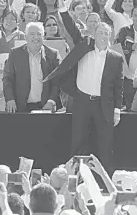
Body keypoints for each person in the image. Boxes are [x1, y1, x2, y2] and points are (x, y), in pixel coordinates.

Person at [44, 22, 124, 170]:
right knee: (78, 142)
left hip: (103, 104)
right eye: (100, 32)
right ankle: (75, 178)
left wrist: (117, 109)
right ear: (94, 34)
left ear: (110, 36)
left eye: (106, 33)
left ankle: (105, 181)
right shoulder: (84, 47)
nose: (103, 36)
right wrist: (63, 7)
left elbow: (118, 86)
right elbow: (72, 30)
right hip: (82, 101)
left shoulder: (116, 58)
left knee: (105, 144)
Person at [3, 22, 61, 113]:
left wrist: (51, 101)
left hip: (45, 106)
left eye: (39, 34)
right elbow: (7, 79)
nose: (36, 37)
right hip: (20, 106)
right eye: (32, 34)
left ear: (43, 36)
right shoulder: (15, 54)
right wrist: (10, 99)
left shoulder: (53, 55)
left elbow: (57, 81)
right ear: (25, 37)